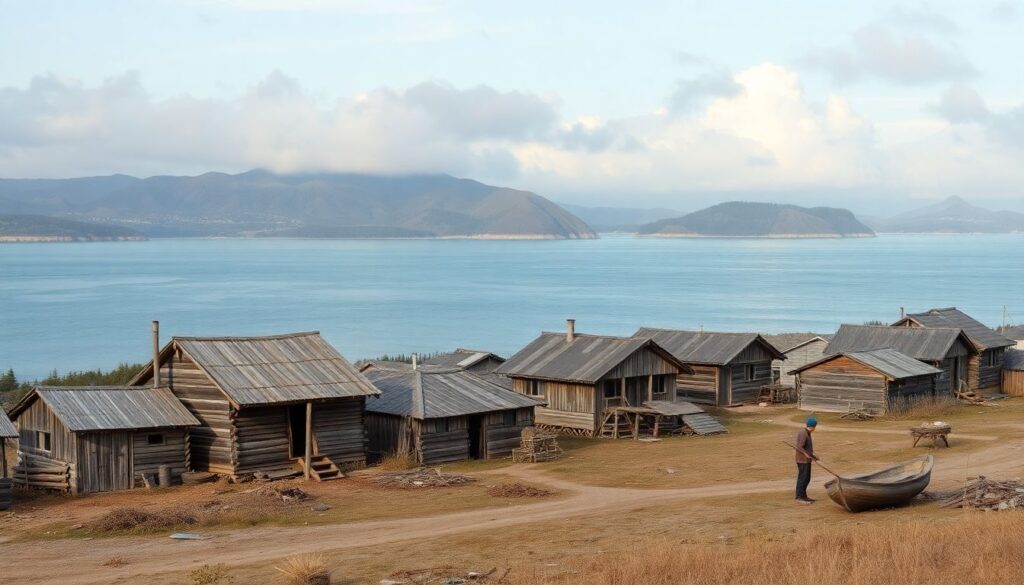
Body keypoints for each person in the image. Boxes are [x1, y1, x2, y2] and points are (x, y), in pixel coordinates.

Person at [795, 417, 818, 504]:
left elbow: (807, 448)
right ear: (813, 426)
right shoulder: (803, 433)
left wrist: (814, 456)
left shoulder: (807, 433)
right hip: (802, 460)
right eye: (815, 427)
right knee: (803, 478)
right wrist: (805, 454)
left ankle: (804, 496)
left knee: (807, 478)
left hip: (807, 460)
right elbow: (799, 446)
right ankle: (799, 497)